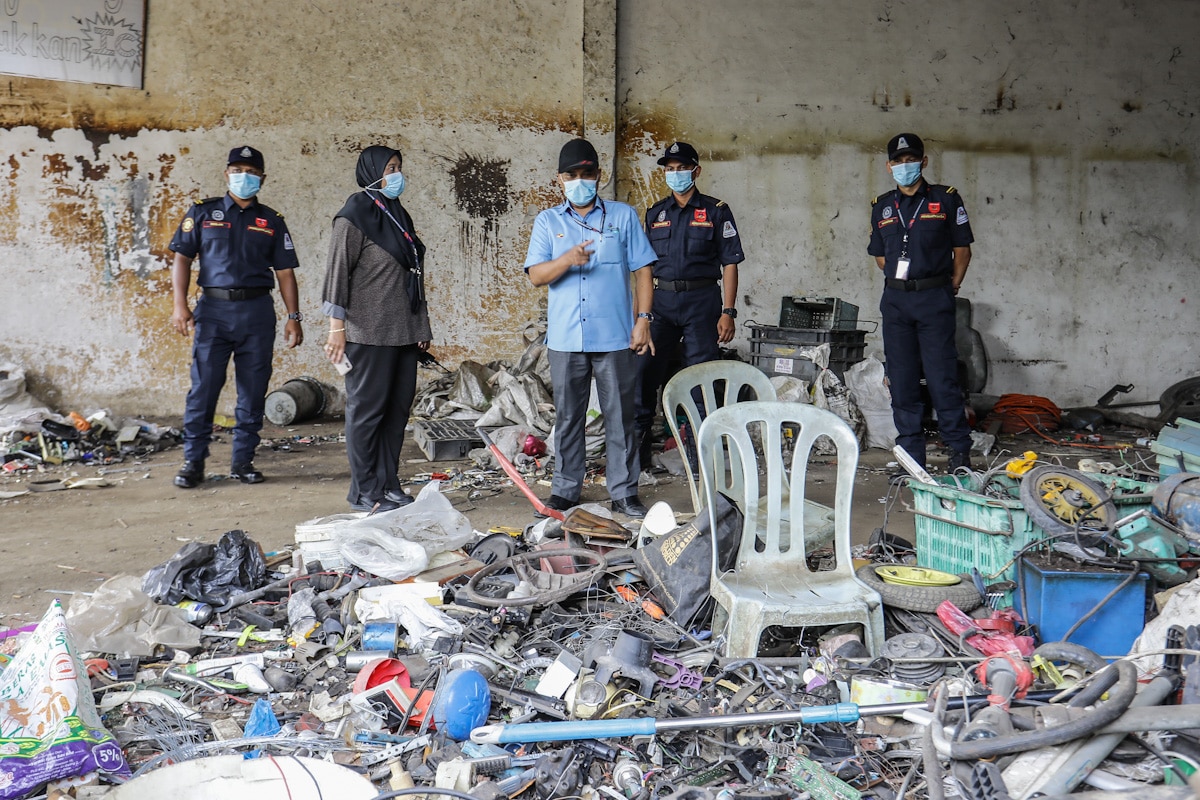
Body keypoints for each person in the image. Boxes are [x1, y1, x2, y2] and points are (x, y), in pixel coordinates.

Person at [524, 138, 657, 519]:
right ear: (560, 179)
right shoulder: (548, 221)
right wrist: (566, 258)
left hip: (615, 336)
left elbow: (644, 271)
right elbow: (536, 275)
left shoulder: (622, 216)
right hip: (566, 339)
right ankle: (565, 490)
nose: (579, 181)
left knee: (621, 417)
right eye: (572, 175)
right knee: (568, 417)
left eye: (587, 174)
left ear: (599, 176)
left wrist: (643, 321)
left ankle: (624, 492)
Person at [169, 145, 302, 489]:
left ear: (262, 178)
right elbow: (182, 258)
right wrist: (179, 305)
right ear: (227, 173)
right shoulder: (202, 212)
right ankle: (193, 462)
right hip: (213, 312)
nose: (244, 176)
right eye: (237, 169)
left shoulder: (271, 220)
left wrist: (293, 316)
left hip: (257, 313)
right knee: (203, 390)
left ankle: (243, 461)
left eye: (251, 171)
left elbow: (285, 272)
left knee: (253, 392)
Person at [322, 145, 432, 513]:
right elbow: (337, 272)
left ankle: (389, 483)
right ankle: (365, 490)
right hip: (367, 332)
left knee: (397, 412)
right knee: (367, 412)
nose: (396, 174)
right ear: (370, 171)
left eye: (398, 167)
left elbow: (413, 273)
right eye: (389, 168)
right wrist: (336, 327)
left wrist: (422, 325)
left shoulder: (398, 215)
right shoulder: (354, 215)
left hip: (403, 331)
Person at [867, 132, 975, 471]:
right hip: (896, 301)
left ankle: (959, 451)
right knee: (902, 380)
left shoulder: (945, 200)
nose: (905, 166)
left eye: (911, 159)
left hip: (934, 298)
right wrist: (904, 279)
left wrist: (950, 285)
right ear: (888, 166)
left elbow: (963, 250)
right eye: (898, 161)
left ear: (924, 162)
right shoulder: (882, 206)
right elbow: (880, 256)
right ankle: (911, 455)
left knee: (942, 377)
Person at [636, 141, 745, 464]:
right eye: (669, 169)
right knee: (645, 376)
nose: (675, 174)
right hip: (661, 303)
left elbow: (730, 263)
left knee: (701, 382)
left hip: (702, 302)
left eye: (681, 168)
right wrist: (640, 316)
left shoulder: (716, 211)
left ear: (696, 171)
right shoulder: (655, 214)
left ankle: (702, 462)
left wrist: (728, 311)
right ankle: (639, 460)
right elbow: (644, 270)